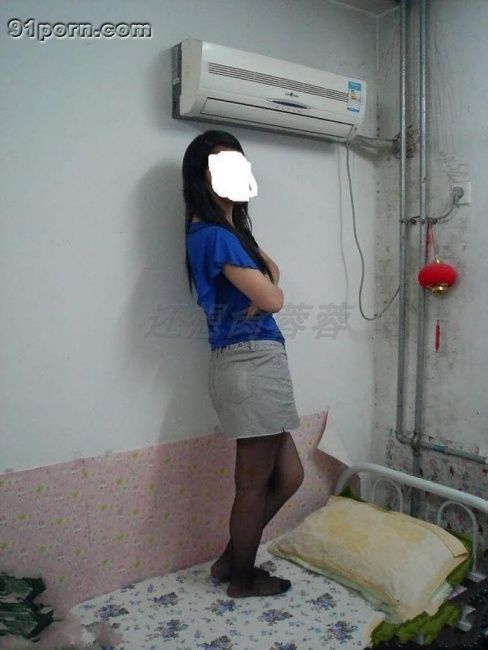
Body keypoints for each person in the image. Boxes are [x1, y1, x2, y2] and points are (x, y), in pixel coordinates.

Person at [183, 130, 304, 599]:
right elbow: (273, 297)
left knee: (288, 476)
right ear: (202, 177)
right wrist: (269, 295)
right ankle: (241, 579)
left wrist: (266, 289)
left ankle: (229, 562)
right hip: (251, 360)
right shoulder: (215, 236)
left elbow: (271, 275)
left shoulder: (225, 233)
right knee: (253, 484)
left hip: (247, 361)